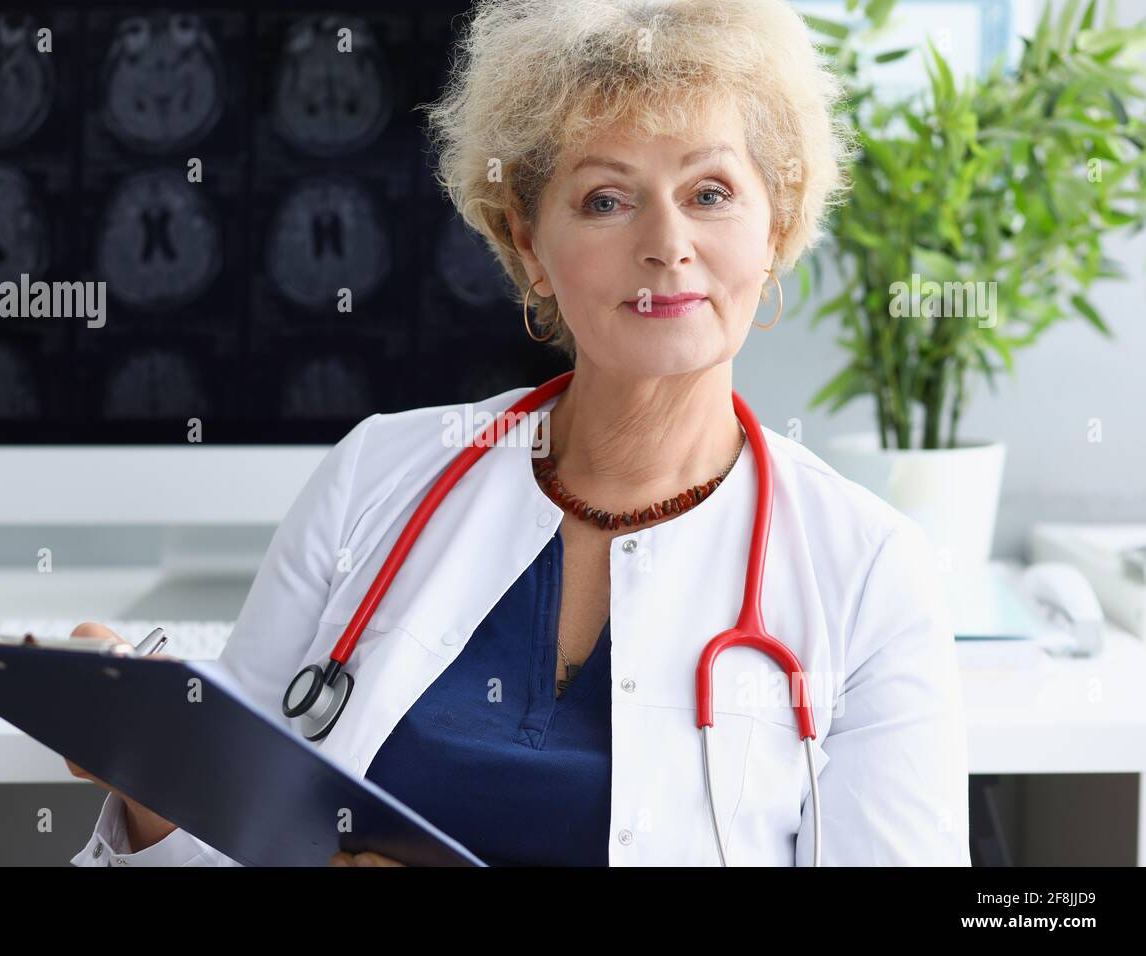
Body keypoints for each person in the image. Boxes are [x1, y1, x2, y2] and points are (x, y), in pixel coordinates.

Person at [70, 0, 970, 867]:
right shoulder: (375, 477)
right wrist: (149, 763)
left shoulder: (869, 571)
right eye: (607, 200)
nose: (668, 243)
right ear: (528, 241)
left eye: (709, 191)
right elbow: (228, 834)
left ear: (773, 227)